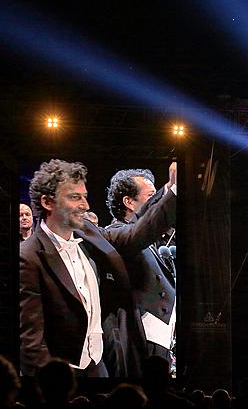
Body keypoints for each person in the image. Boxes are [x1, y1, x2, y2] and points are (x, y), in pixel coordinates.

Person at [19, 159, 176, 377]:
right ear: (48, 202)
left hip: (98, 365)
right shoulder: (28, 256)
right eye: (75, 197)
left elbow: (136, 233)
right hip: (63, 375)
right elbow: (32, 342)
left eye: (84, 196)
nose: (85, 205)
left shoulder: (88, 232)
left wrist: (173, 189)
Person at [106, 168, 176, 362]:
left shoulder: (140, 236)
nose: (157, 203)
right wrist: (173, 191)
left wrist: (169, 187)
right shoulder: (118, 234)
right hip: (144, 333)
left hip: (159, 333)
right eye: (151, 196)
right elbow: (144, 225)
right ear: (128, 202)